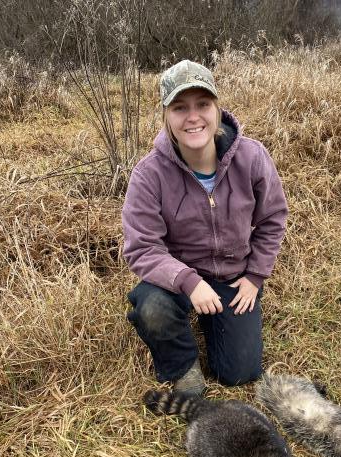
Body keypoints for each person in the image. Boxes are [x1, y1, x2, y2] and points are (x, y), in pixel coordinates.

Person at [122, 59, 288, 395]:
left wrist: (255, 277)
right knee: (152, 307)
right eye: (180, 108)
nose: (193, 116)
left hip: (232, 277)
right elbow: (142, 247)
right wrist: (190, 282)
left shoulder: (252, 157)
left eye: (203, 104)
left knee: (239, 373)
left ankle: (218, 319)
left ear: (217, 108)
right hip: (177, 279)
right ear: (166, 116)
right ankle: (182, 366)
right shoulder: (148, 174)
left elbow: (273, 218)